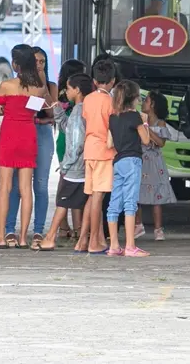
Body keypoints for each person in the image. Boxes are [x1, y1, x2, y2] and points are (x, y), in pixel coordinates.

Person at [0, 44, 54, 249]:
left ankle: (2, 237)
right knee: (26, 189)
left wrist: (6, 107)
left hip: (9, 135)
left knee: (5, 188)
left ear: (16, 64)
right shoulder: (38, 88)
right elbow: (36, 112)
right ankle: (24, 238)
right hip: (28, 136)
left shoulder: (7, 85)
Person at [37, 73, 91, 252]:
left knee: (62, 202)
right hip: (84, 165)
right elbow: (68, 128)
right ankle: (83, 239)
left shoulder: (78, 110)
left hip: (74, 167)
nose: (65, 92)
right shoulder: (84, 108)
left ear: (77, 90)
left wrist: (66, 165)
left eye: (68, 88)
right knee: (85, 203)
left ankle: (50, 237)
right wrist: (59, 111)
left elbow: (75, 141)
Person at [106, 80, 152, 257]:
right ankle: (131, 246)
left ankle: (114, 246)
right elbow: (146, 140)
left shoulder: (113, 117)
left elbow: (109, 143)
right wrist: (145, 123)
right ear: (133, 98)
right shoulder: (135, 117)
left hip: (118, 162)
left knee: (114, 204)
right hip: (132, 161)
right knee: (130, 203)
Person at [81, 57, 119, 254]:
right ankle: (94, 241)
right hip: (105, 152)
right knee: (98, 197)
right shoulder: (111, 101)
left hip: (89, 150)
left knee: (92, 195)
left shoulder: (87, 99)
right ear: (113, 81)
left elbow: (87, 119)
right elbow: (113, 127)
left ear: (94, 81)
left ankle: (87, 240)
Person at [139, 91, 178, 241]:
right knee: (137, 194)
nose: (143, 103)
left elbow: (160, 142)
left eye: (146, 100)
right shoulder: (139, 119)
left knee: (156, 197)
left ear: (153, 104)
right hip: (141, 160)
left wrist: (145, 128)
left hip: (155, 163)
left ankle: (158, 229)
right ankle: (138, 225)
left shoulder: (160, 123)